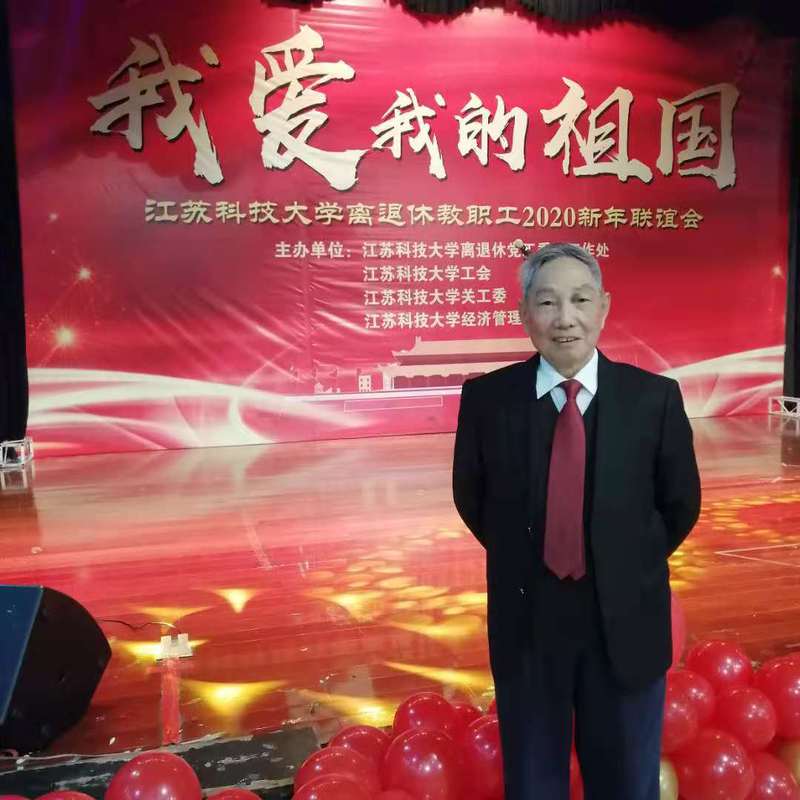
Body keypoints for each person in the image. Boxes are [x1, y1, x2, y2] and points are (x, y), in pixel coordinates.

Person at [452, 242, 700, 800]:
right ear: (524, 314)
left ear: (603, 307)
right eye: (547, 303)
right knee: (533, 781)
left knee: (627, 782)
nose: (565, 318)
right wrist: (526, 555)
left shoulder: (653, 399)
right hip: (529, 622)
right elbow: (473, 497)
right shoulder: (488, 400)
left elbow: (681, 503)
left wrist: (624, 559)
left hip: (626, 623)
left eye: (581, 300)